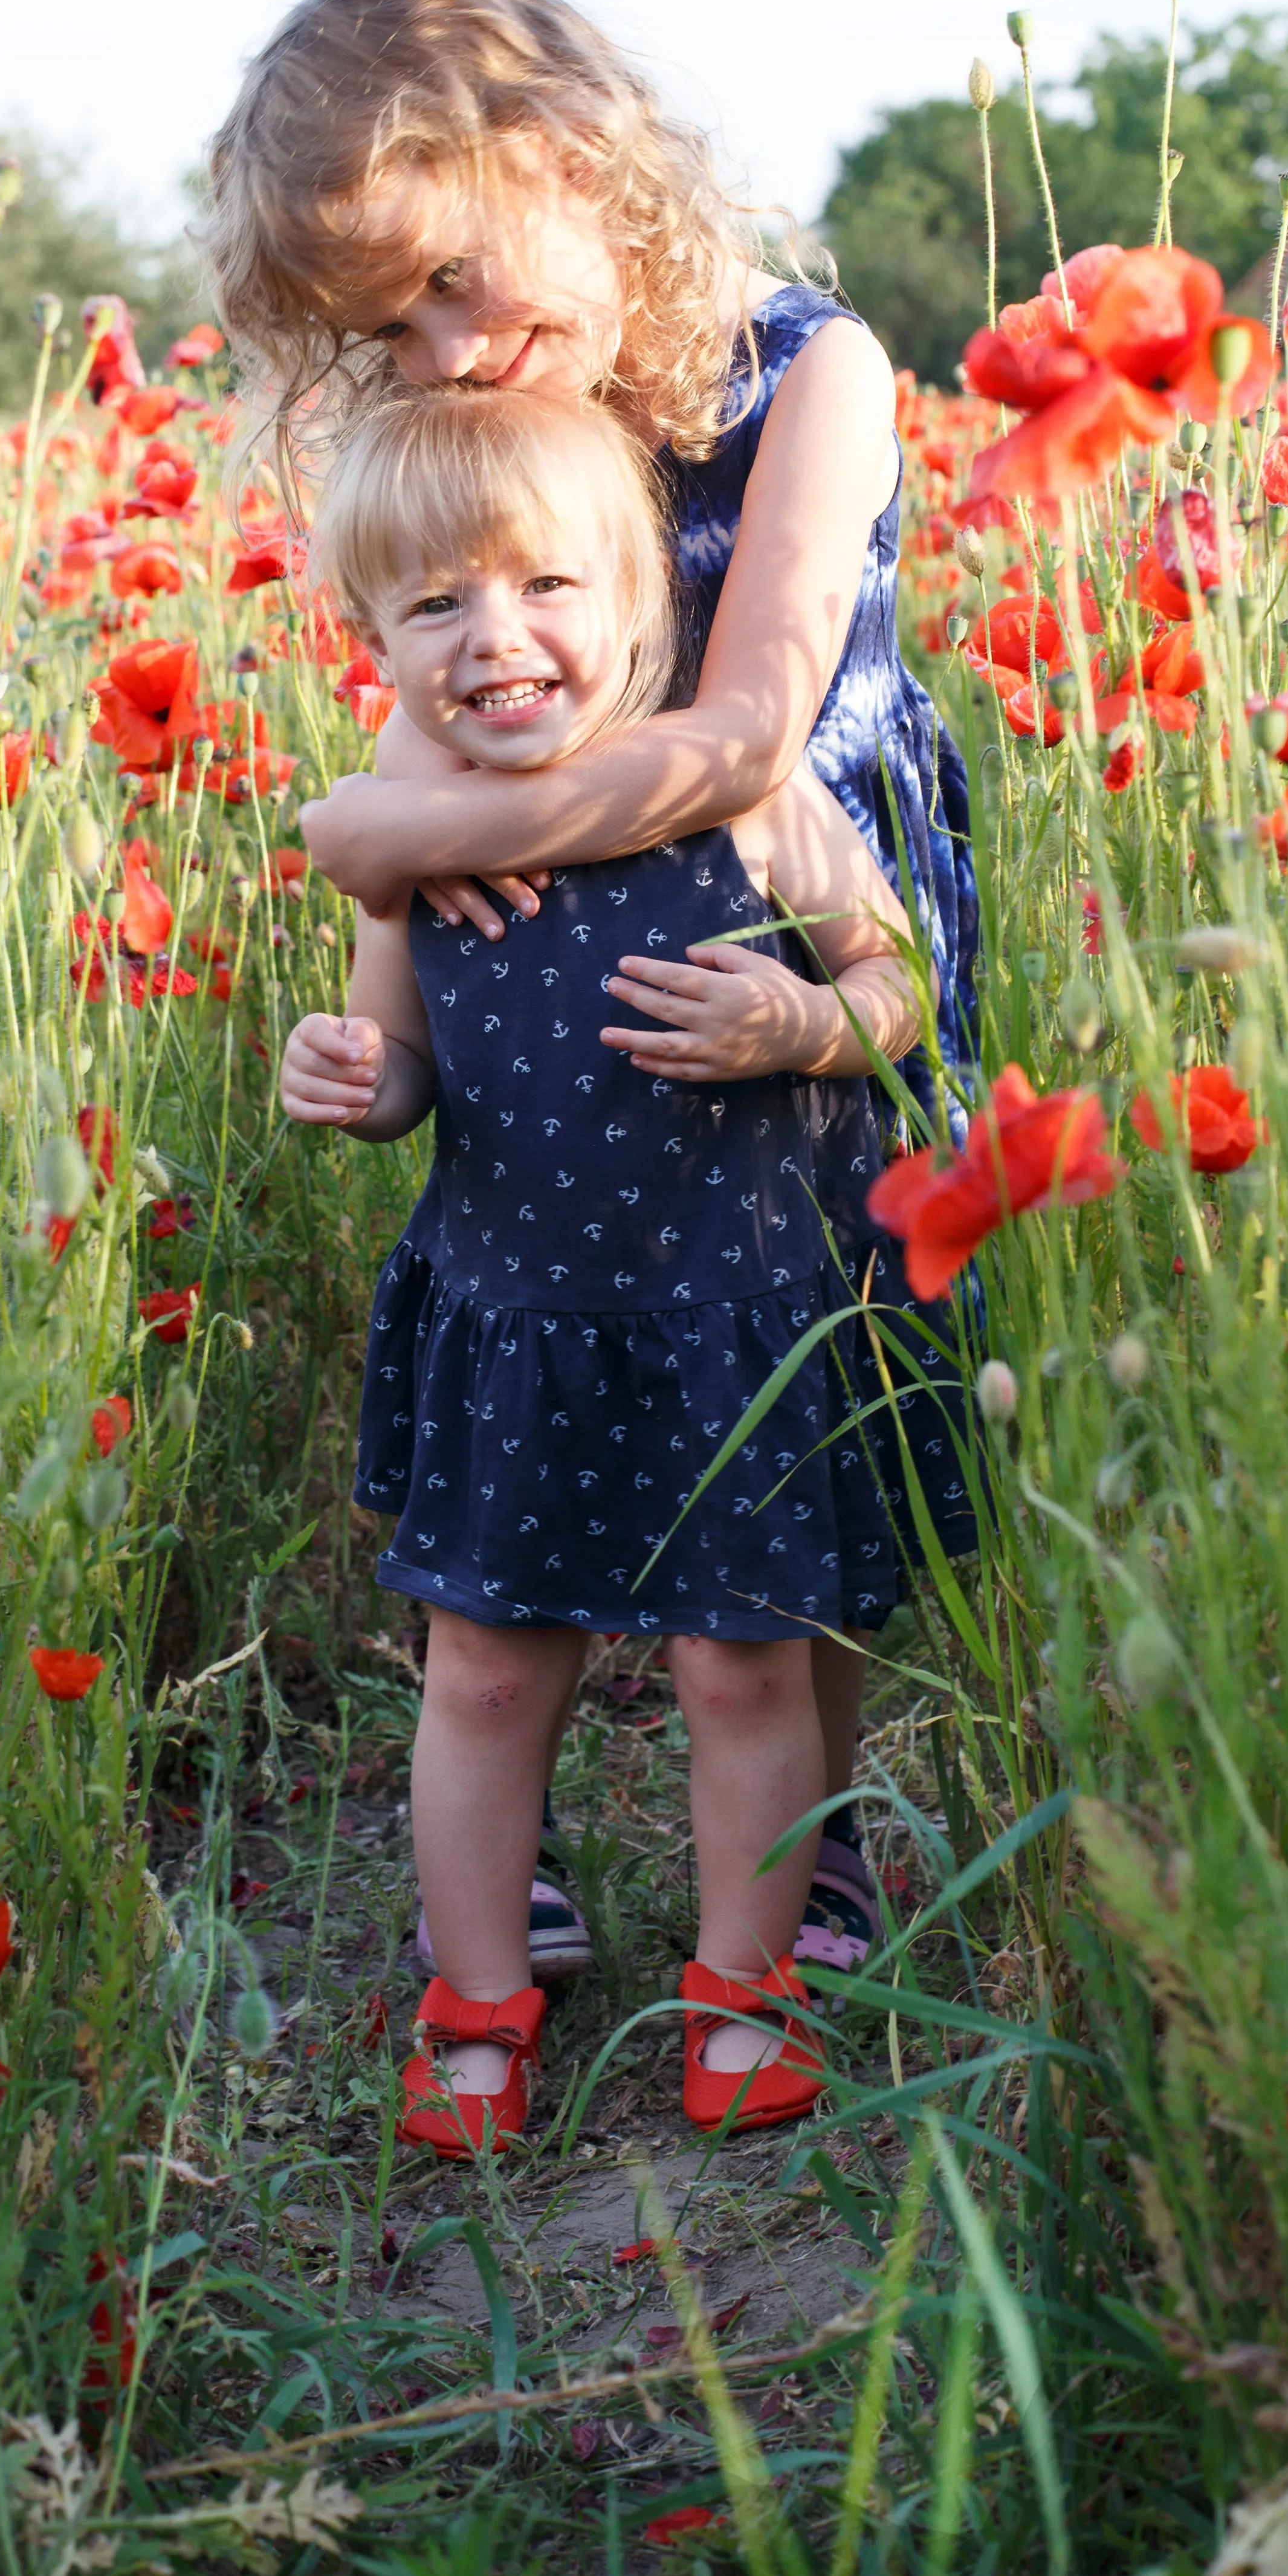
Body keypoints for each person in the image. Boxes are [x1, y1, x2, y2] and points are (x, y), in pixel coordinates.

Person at [209, 0, 976, 1983]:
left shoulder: (805, 367)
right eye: (397, 327)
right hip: (556, 1015)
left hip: (790, 916)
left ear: (562, 148)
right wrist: (398, 839)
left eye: (457, 278)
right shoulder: (502, 426)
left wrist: (398, 832)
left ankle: (804, 1853)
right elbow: (445, 672)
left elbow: (741, 737)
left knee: (791, 1408)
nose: (454, 351)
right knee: (529, 1469)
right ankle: (508, 1859)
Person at [278, 387, 923, 2154]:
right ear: (375, 638)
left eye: (546, 584)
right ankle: (475, 1999)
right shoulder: (414, 824)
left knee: (743, 1668)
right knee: (482, 1670)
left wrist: (804, 1015)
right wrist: (348, 1078)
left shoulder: (744, 785)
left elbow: (898, 991)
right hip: (520, 1321)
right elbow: (394, 1062)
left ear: (638, 588)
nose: (497, 640)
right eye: (433, 606)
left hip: (731, 1314)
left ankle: (743, 1986)